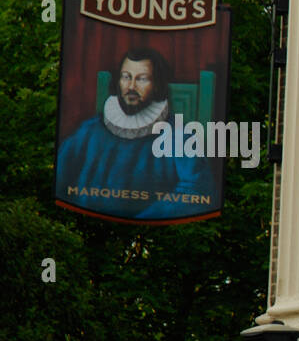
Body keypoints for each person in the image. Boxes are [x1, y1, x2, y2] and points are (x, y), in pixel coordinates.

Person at [55, 48, 216, 220]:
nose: (131, 86)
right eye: (126, 77)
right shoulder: (88, 131)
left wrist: (142, 221)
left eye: (142, 79)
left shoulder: (178, 135)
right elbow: (58, 180)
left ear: (157, 85)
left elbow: (198, 190)